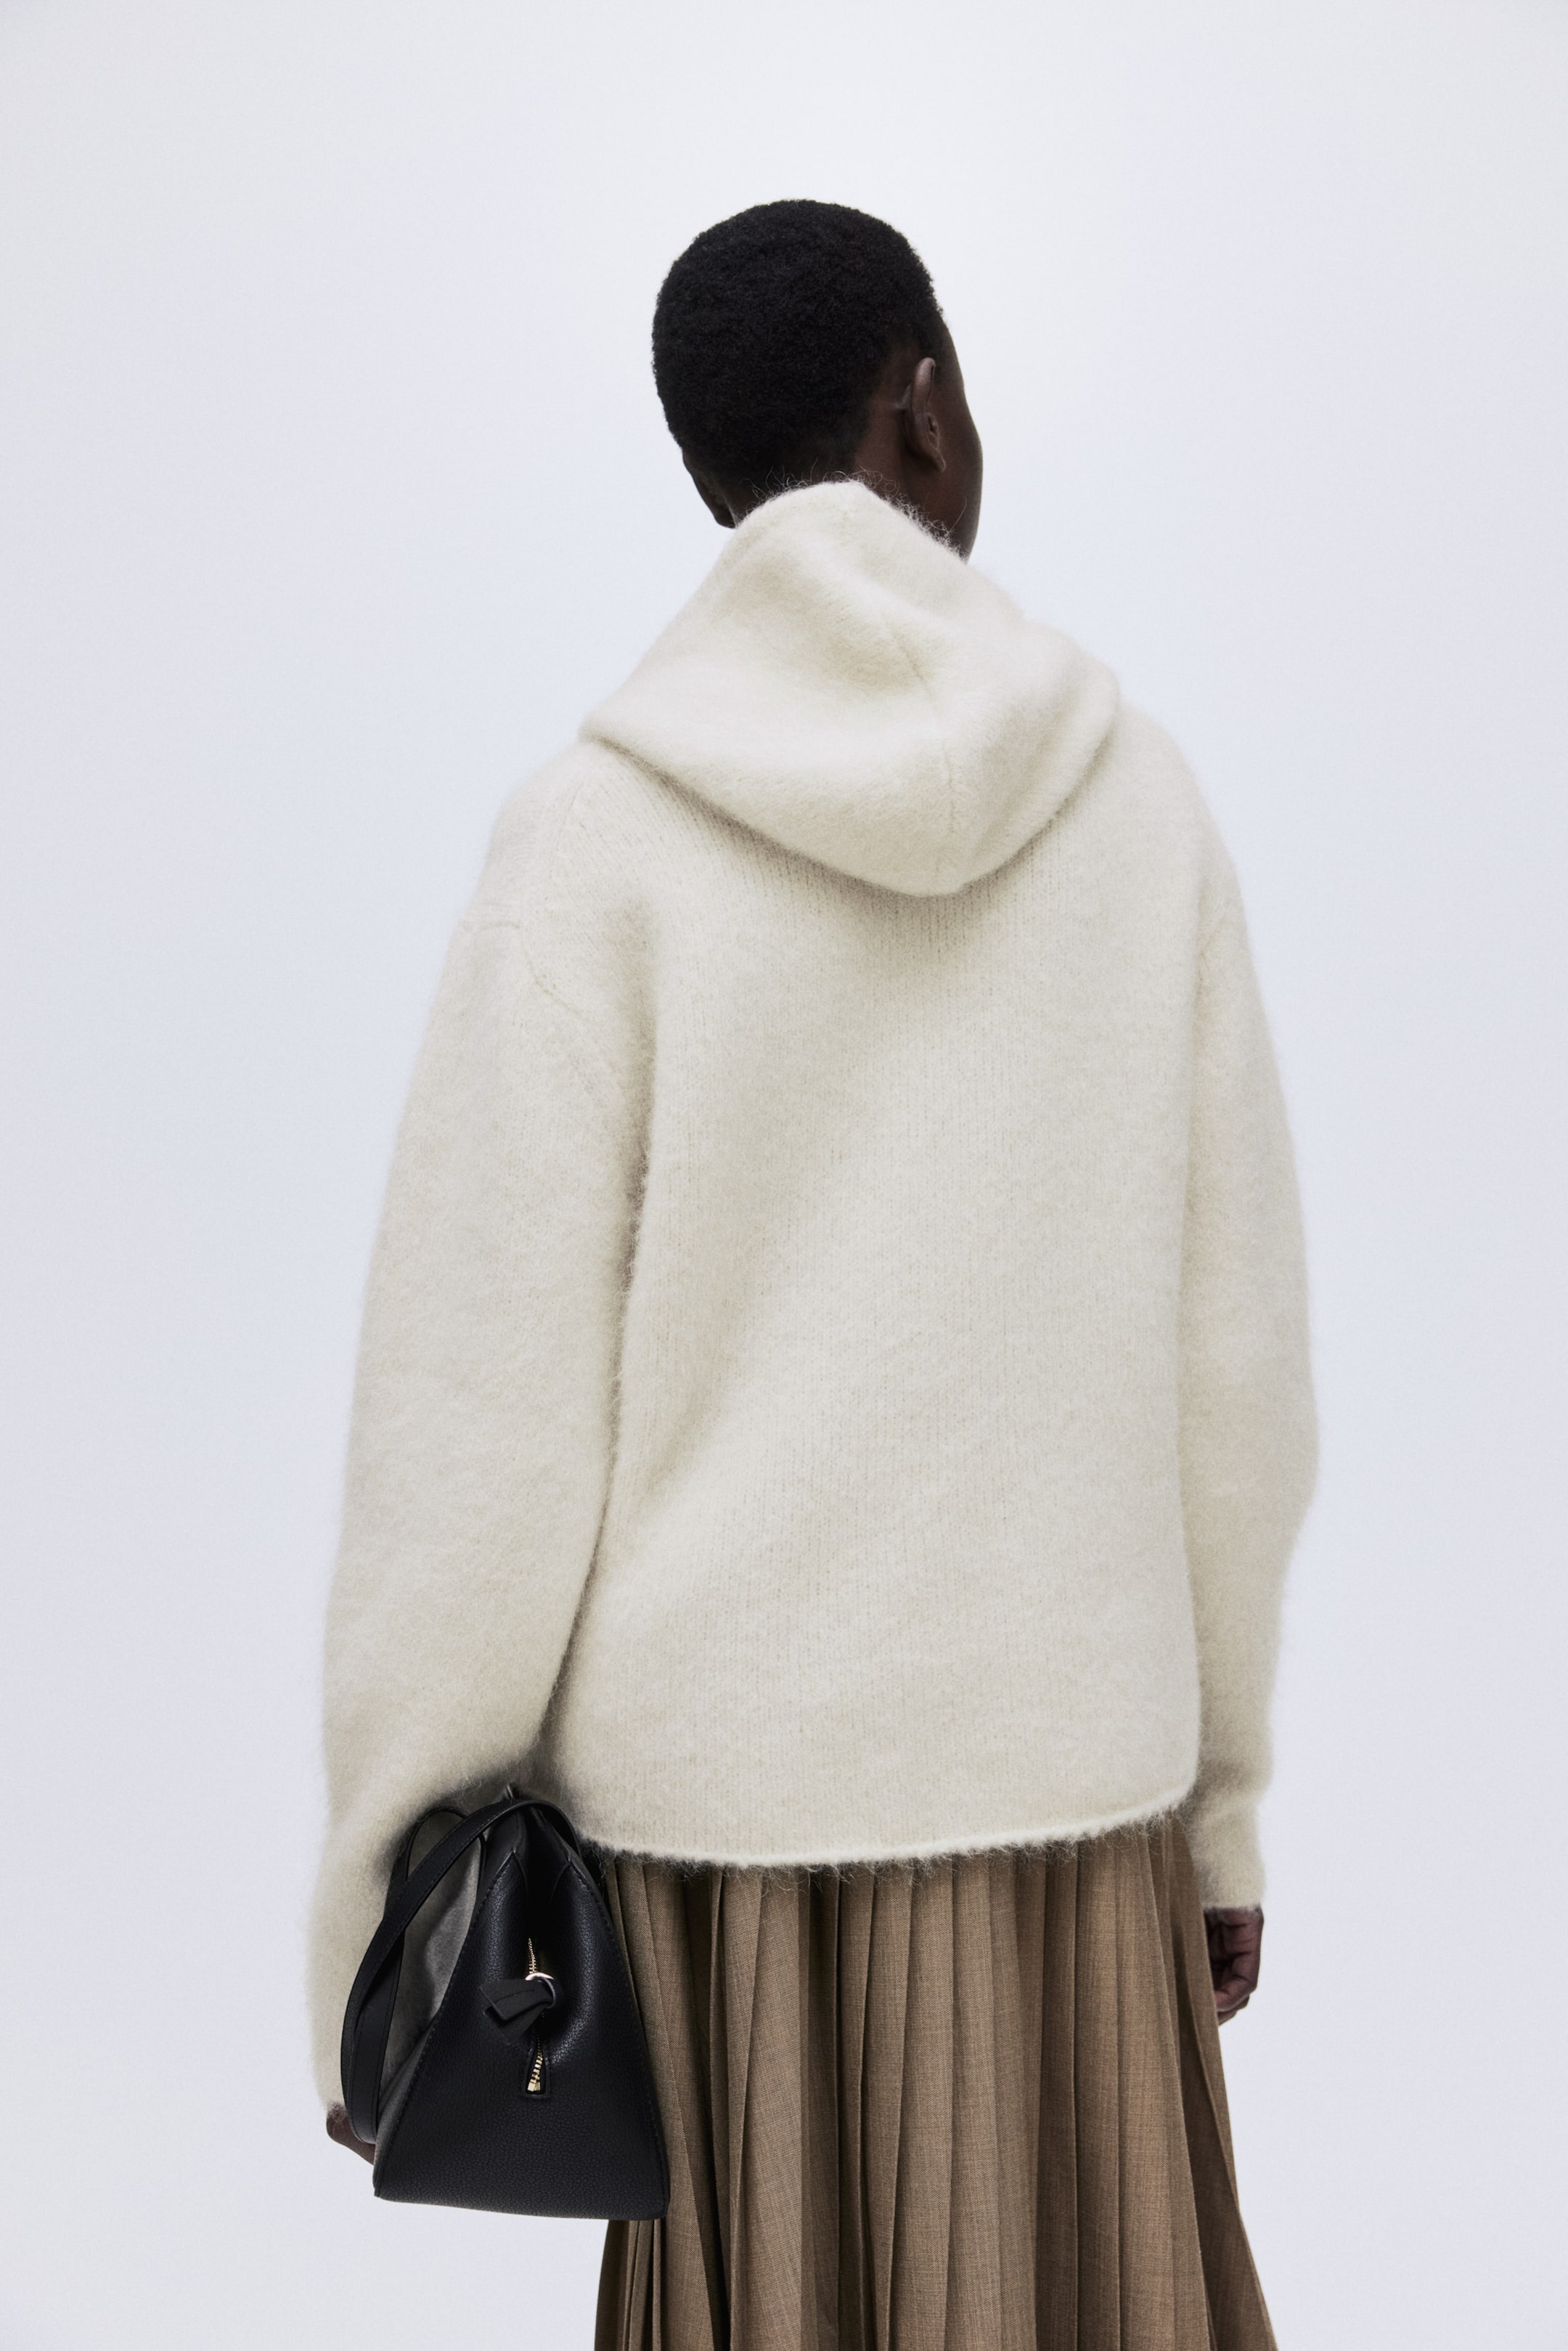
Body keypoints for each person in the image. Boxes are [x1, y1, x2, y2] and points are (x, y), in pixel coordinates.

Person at [310, 200, 1315, 2350]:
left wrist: (383, 1911)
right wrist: (1222, 1813)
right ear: (922, 403)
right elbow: (1236, 1377)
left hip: (723, 1865)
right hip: (1080, 1824)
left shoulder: (593, 840)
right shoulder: (1138, 806)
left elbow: (475, 1423)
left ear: (713, 475)